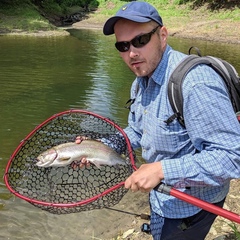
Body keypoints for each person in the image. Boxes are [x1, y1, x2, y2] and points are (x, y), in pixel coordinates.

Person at [102, 1, 240, 240]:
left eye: (140, 41)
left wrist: (162, 169)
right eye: (122, 45)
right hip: (162, 199)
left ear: (162, 35)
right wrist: (103, 146)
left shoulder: (196, 84)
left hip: (193, 207)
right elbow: (137, 130)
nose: (132, 53)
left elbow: (231, 156)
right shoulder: (141, 79)